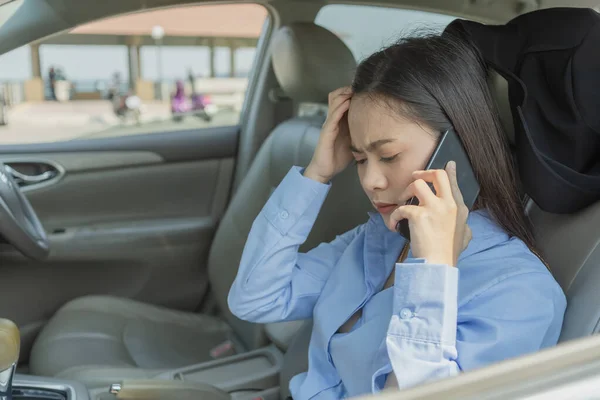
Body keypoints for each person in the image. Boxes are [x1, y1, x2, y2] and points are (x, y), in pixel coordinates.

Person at [228, 31, 566, 399]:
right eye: (360, 159)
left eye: (388, 156)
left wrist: (432, 271)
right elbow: (254, 297)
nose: (371, 181)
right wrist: (318, 172)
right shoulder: (376, 240)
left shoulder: (519, 291)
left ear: (460, 149)